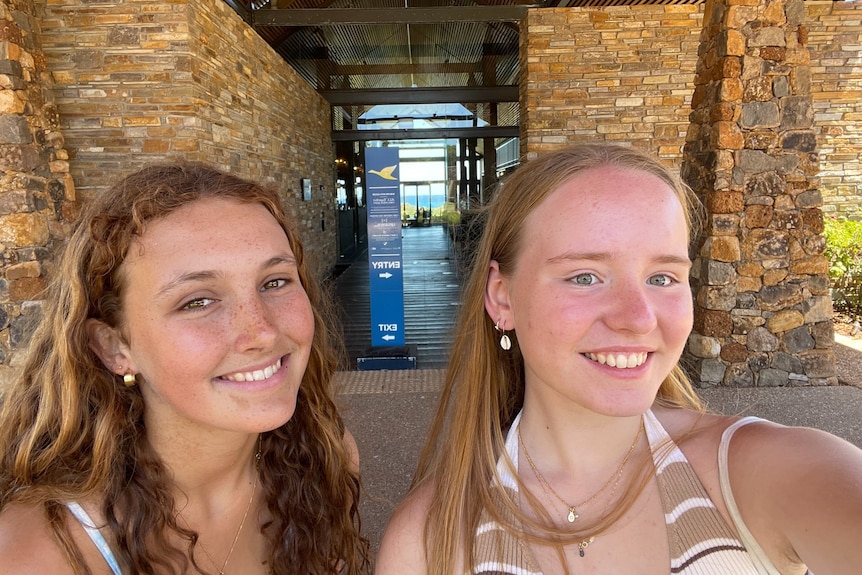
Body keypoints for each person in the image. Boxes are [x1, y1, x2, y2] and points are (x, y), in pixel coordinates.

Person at [375, 142, 862, 574]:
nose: (637, 317)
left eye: (662, 277)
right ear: (502, 297)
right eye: (585, 276)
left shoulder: (769, 472)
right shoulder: (426, 541)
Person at [0, 163, 371, 574]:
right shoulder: (45, 552)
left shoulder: (325, 456)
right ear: (114, 347)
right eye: (197, 301)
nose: (262, 332)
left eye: (275, 282)